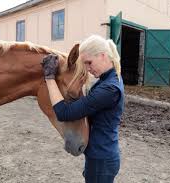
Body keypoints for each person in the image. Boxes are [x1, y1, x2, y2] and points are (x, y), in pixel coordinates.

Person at [41, 35, 124, 183]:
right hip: (101, 156)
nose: (87, 68)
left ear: (103, 56)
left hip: (101, 160)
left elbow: (63, 113)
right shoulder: (110, 78)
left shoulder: (109, 89)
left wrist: (49, 78)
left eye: (89, 62)